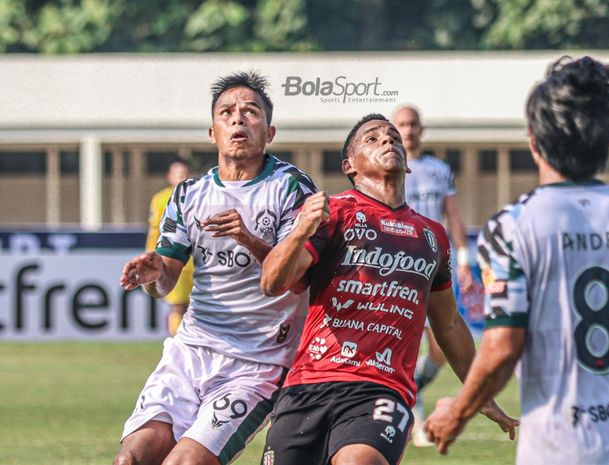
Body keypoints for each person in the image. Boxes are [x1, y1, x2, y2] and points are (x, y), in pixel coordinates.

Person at [424, 56, 609, 464]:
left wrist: (457, 412)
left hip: (559, 445)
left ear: (534, 140)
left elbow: (502, 347)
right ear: (607, 141)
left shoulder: (514, 226)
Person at [259, 114, 517, 465]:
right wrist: (301, 230)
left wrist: (481, 395)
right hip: (308, 384)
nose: (387, 141)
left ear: (408, 166)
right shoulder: (333, 214)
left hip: (381, 389)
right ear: (349, 166)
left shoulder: (432, 235)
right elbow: (273, 282)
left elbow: (450, 324)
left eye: (392, 136)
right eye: (372, 138)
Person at [113, 71, 316, 465]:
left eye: (250, 111)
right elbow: (166, 279)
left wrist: (249, 238)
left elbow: (295, 280)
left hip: (258, 362)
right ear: (212, 132)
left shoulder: (291, 187)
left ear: (269, 132)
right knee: (132, 459)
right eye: (227, 112)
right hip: (190, 352)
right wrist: (154, 276)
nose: (238, 119)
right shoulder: (189, 194)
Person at [391, 105, 473, 446]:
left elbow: (452, 215)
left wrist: (465, 259)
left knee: (440, 349)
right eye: (402, 125)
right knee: (403, 345)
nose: (408, 131)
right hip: (398, 267)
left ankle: (409, 394)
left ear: (421, 128)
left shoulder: (439, 169)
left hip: (435, 266)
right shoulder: (390, 167)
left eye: (412, 124)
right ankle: (411, 409)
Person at [145, 158, 195, 336]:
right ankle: (178, 343)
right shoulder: (160, 199)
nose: (182, 177)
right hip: (173, 259)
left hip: (197, 263)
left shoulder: (198, 196)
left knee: (196, 309)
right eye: (178, 174)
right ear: (169, 176)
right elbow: (155, 230)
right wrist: (151, 254)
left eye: (185, 174)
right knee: (178, 306)